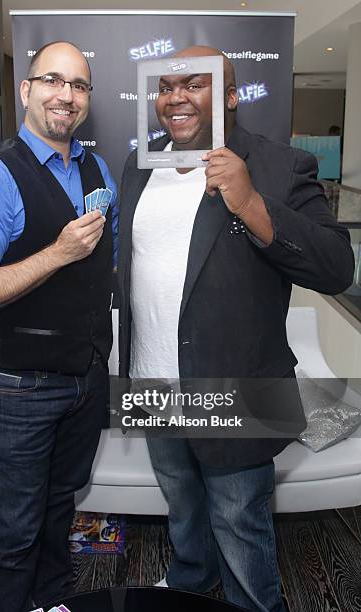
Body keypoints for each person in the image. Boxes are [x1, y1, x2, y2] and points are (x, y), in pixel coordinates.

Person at [117, 45, 354, 612]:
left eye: (194, 83)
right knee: (181, 501)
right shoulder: (138, 165)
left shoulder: (279, 165)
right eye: (167, 85)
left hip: (234, 387)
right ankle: (192, 579)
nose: (176, 95)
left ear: (229, 97)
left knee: (240, 523)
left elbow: (335, 266)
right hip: (151, 383)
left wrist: (249, 201)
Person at [0, 41, 117, 612]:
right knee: (14, 531)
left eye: (78, 85)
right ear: (26, 90)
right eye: (52, 80)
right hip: (20, 390)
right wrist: (57, 252)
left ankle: (50, 603)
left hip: (85, 381)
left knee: (59, 511)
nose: (65, 95)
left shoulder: (94, 167)